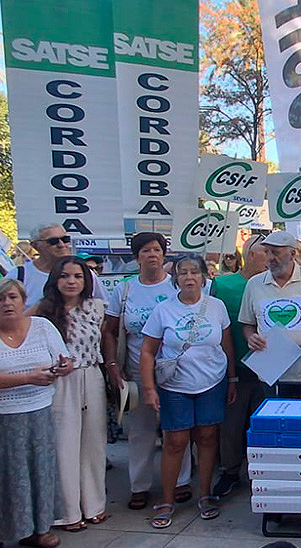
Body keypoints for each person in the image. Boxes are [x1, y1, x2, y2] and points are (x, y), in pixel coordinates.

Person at [239, 230, 301, 514]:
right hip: (271, 373)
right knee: (276, 434)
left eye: (276, 252)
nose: (270, 258)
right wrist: (251, 338)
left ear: (293, 253)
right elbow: (247, 323)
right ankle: (281, 493)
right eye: (267, 252)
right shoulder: (255, 285)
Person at [138, 255, 236, 528]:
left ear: (204, 277)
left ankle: (205, 495)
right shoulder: (164, 310)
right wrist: (149, 388)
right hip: (175, 386)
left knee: (207, 437)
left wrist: (233, 379)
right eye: (183, 273)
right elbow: (147, 351)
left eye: (195, 272)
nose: (189, 277)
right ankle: (167, 501)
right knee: (175, 442)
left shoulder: (216, 306)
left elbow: (226, 345)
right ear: (176, 278)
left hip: (212, 383)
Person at [102, 232, 192, 510]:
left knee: (177, 430)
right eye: (145, 251)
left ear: (164, 255)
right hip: (136, 373)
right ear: (136, 257)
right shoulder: (125, 290)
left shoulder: (176, 288)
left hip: (176, 371)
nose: (151, 255)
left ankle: (181, 481)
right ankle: (139, 485)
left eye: (156, 250)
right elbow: (110, 331)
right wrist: (113, 367)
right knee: (139, 432)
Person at [30, 257, 108, 531]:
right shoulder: (42, 311)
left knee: (94, 445)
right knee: (64, 446)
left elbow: (105, 340)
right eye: (65, 276)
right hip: (59, 383)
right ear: (55, 280)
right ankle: (67, 513)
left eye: (78, 276)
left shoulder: (97, 307)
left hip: (92, 376)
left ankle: (94, 505)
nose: (71, 282)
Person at [0, 279, 73, 548]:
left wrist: (64, 366)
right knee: (8, 474)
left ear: (22, 300)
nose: (7, 303)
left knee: (40, 471)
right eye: (1, 300)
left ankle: (39, 529)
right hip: (4, 416)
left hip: (39, 411)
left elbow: (64, 358)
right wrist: (27, 378)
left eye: (12, 297)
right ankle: (9, 529)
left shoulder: (42, 327)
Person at [212, 235, 270, 497]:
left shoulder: (274, 285)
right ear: (249, 254)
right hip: (233, 367)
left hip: (269, 367)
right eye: (265, 252)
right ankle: (231, 470)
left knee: (264, 422)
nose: (270, 258)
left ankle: (263, 471)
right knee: (232, 424)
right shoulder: (222, 285)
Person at [22, 223, 108, 307]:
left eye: (65, 239)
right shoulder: (20, 275)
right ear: (35, 246)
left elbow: (106, 306)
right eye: (53, 241)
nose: (61, 245)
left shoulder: (85, 273)